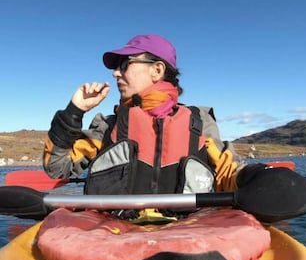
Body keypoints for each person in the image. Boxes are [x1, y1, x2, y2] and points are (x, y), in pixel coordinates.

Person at [43, 34, 244, 198]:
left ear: (157, 70)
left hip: (186, 233)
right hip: (116, 238)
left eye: (124, 64)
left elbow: (230, 175)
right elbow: (56, 168)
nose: (115, 73)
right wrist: (74, 111)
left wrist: (255, 178)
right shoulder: (108, 127)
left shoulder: (199, 122)